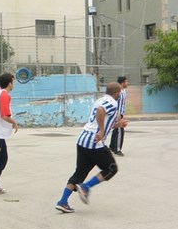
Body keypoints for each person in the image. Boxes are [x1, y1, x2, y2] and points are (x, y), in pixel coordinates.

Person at [55, 82, 128, 213]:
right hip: (94, 143)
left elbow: (103, 120)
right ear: (117, 93)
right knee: (111, 168)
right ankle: (86, 187)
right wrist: (100, 131)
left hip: (83, 140)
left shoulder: (100, 99)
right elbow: (101, 112)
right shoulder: (112, 102)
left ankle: (63, 201)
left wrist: (117, 125)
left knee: (80, 173)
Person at [109, 76, 128, 156]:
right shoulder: (118, 92)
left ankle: (112, 146)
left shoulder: (123, 91)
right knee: (120, 131)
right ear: (122, 83)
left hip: (120, 114)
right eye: (126, 82)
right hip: (117, 114)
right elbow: (114, 103)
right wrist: (118, 114)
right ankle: (117, 149)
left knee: (116, 130)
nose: (127, 83)